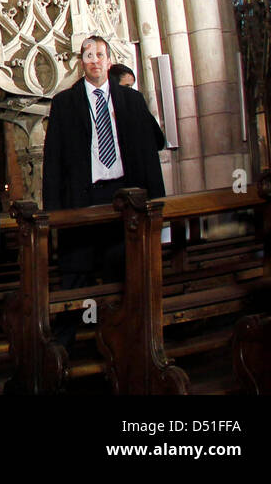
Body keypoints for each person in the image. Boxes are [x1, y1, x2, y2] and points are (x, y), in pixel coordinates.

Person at [43, 35, 165, 343]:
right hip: (83, 199)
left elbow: (151, 153)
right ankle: (63, 349)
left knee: (124, 272)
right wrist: (54, 213)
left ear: (108, 60)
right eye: (88, 55)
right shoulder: (65, 103)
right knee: (76, 275)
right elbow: (53, 161)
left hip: (124, 198)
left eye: (100, 54)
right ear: (80, 62)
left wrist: (157, 201)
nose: (95, 60)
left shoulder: (131, 100)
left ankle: (127, 341)